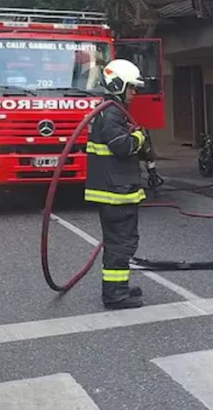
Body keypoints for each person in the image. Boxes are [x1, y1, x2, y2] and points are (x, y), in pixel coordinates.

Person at [86, 58, 149, 309]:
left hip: (116, 189)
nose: (134, 93)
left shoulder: (109, 111)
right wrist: (139, 137)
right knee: (120, 243)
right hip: (115, 192)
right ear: (118, 84)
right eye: (132, 87)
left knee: (120, 241)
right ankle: (114, 295)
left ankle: (118, 287)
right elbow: (122, 147)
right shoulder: (111, 113)